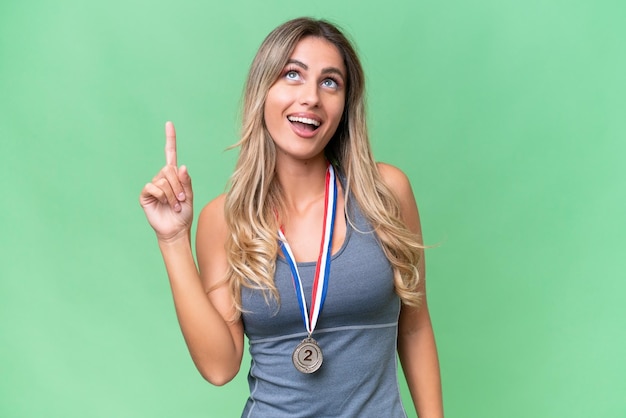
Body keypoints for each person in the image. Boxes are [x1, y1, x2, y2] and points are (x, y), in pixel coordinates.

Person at [140, 17, 443, 417]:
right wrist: (173, 239)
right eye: (292, 75)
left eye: (330, 82)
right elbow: (220, 366)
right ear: (263, 91)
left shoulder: (386, 192)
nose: (311, 97)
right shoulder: (224, 219)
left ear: (344, 106)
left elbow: (414, 326)